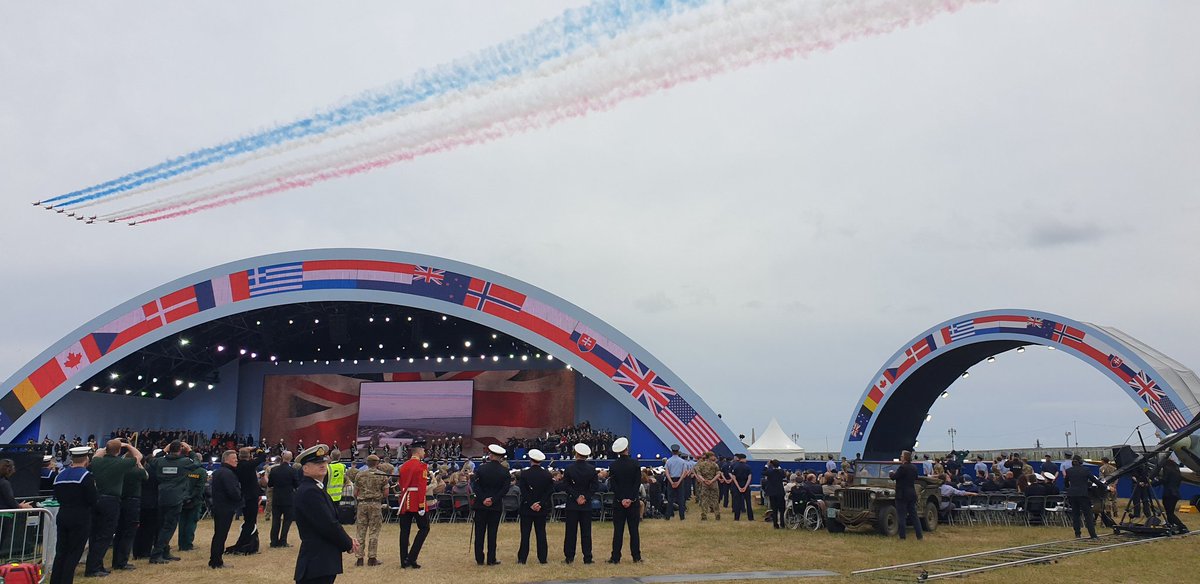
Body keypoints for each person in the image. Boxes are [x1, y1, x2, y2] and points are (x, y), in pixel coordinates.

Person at [293, 445, 359, 584]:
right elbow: (328, 524)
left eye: (324, 462)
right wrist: (347, 543)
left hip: (321, 560)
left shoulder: (316, 488)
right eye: (317, 463)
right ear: (305, 468)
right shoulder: (310, 491)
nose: (323, 465)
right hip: (317, 560)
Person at [84, 438, 141, 577]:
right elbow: (138, 456)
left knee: (95, 535)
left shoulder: (97, 461)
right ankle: (94, 568)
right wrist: (127, 445)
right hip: (111, 501)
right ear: (119, 450)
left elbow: (98, 454)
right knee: (105, 535)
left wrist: (109, 446)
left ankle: (95, 564)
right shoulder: (120, 463)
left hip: (96, 499)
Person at [51, 446, 98, 584]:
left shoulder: (60, 475)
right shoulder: (86, 476)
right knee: (73, 553)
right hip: (80, 517)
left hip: (63, 515)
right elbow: (93, 499)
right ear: (86, 459)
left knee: (60, 553)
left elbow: (57, 496)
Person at [147, 440, 197, 563]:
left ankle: (165, 551)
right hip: (175, 498)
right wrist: (190, 451)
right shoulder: (184, 462)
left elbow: (150, 460)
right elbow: (197, 463)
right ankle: (157, 554)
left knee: (162, 525)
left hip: (162, 496)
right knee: (169, 527)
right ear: (181, 449)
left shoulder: (160, 461)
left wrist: (164, 450)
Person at [472, 444, 510, 566]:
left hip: (481, 505)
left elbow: (475, 486)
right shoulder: (504, 471)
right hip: (495, 506)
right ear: (500, 457)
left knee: (479, 533)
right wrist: (493, 499)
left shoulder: (481, 469)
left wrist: (483, 499)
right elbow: (505, 489)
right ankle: (491, 559)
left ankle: (479, 558)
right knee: (492, 533)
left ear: (490, 455)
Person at [607, 438, 642, 564]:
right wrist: (631, 498)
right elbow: (637, 483)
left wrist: (622, 499)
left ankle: (615, 557)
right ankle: (636, 556)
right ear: (627, 449)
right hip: (633, 502)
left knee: (618, 531)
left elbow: (613, 485)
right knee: (634, 531)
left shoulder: (613, 466)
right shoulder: (635, 464)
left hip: (618, 502)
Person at [562, 443, 598, 564]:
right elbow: (594, 487)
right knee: (586, 532)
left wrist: (576, 496)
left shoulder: (569, 468)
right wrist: (585, 497)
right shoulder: (592, 469)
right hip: (586, 505)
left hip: (572, 503)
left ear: (576, 454)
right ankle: (587, 557)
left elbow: (566, 485)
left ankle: (569, 557)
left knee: (570, 532)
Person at [397, 440, 430, 569]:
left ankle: (403, 559)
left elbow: (401, 484)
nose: (424, 452)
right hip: (417, 500)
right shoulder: (422, 466)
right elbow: (422, 487)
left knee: (404, 531)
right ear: (419, 451)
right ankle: (411, 557)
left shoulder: (403, 466)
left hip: (405, 500)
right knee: (424, 528)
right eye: (423, 450)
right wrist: (422, 505)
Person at [111, 453, 148, 571]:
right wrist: (138, 463)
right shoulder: (136, 471)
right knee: (129, 533)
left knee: (119, 532)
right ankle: (122, 561)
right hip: (133, 502)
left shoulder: (119, 471)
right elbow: (146, 475)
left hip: (119, 501)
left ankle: (116, 561)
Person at [516, 448, 553, 564]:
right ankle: (542, 558)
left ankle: (522, 558)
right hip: (541, 508)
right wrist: (540, 503)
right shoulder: (547, 474)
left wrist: (531, 503)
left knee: (525, 534)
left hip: (527, 507)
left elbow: (523, 490)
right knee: (541, 533)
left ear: (530, 460)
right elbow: (549, 491)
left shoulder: (525, 474)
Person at [352, 454, 388, 567]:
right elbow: (386, 493)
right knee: (374, 532)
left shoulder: (360, 474)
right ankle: (372, 558)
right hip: (375, 504)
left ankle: (359, 559)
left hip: (362, 505)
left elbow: (355, 492)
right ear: (377, 463)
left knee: (360, 532)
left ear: (367, 463)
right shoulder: (382, 475)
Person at [230, 446, 266, 554]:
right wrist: (256, 449)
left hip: (244, 495)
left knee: (249, 520)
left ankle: (252, 543)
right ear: (249, 456)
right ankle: (245, 544)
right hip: (252, 496)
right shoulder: (249, 465)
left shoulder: (237, 466)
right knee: (251, 521)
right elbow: (262, 456)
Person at [209, 450, 241, 569]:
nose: (236, 460)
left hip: (219, 506)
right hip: (225, 507)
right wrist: (239, 496)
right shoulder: (228, 473)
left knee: (218, 534)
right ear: (226, 459)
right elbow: (233, 491)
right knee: (221, 535)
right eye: (234, 458)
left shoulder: (219, 472)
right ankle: (216, 561)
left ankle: (214, 559)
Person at [269, 450, 300, 548]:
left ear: (282, 458)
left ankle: (273, 542)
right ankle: (283, 541)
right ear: (291, 459)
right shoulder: (293, 471)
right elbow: (297, 485)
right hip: (288, 499)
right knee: (287, 521)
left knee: (275, 520)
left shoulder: (274, 470)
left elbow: (270, 484)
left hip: (277, 498)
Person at [177, 449, 207, 552]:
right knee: (191, 523)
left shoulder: (184, 470)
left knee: (182, 522)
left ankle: (181, 544)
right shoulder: (202, 472)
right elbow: (199, 488)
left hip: (181, 499)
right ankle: (188, 545)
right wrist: (192, 497)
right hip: (195, 500)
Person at [1064, 455, 1100, 539]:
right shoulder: (1085, 470)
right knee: (1088, 515)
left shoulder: (1068, 471)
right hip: (1083, 495)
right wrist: (1103, 486)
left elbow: (1066, 483)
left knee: (1075, 515)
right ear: (1081, 462)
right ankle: (1093, 535)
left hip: (1072, 495)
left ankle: (1077, 534)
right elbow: (1094, 480)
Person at [889, 450, 922, 541]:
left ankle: (902, 537)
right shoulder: (914, 468)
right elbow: (916, 478)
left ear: (905, 458)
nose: (900, 457)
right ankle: (919, 536)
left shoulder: (902, 468)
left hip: (902, 494)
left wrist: (891, 473)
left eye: (902, 456)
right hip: (911, 493)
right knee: (914, 516)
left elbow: (894, 477)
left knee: (901, 516)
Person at [1153, 456, 1187, 533]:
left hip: (1169, 493)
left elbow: (1165, 479)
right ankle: (1171, 526)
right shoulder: (1176, 469)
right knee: (1169, 512)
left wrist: (1153, 484)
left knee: (1170, 513)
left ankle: (1182, 526)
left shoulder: (1166, 467)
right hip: (1175, 493)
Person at [692, 451, 721, 521]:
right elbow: (718, 474)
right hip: (714, 484)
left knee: (704, 500)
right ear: (710, 456)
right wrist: (712, 481)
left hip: (704, 484)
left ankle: (704, 516)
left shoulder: (701, 465)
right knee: (715, 499)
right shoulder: (715, 465)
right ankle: (717, 515)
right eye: (713, 456)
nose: (714, 457)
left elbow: (699, 474)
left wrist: (704, 480)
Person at [663, 445, 690, 520]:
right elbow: (684, 473)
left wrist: (671, 482)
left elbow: (667, 473)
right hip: (680, 480)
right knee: (681, 499)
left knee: (670, 499)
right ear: (678, 452)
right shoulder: (682, 461)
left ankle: (668, 515)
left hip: (671, 480)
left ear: (672, 451)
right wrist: (679, 482)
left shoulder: (668, 461)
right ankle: (682, 516)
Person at [763, 459, 786, 529]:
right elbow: (784, 475)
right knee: (782, 509)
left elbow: (763, 472)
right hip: (780, 492)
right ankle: (782, 523)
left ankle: (775, 524)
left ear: (772, 465)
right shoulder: (781, 472)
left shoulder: (769, 471)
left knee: (774, 509)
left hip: (772, 493)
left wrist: (767, 465)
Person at [730, 453, 753, 521]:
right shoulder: (748, 467)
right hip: (745, 484)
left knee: (737, 502)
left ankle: (736, 518)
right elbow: (749, 478)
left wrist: (738, 487)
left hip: (737, 486)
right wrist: (745, 487)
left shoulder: (735, 466)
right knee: (748, 502)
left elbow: (734, 478)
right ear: (743, 459)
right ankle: (750, 517)